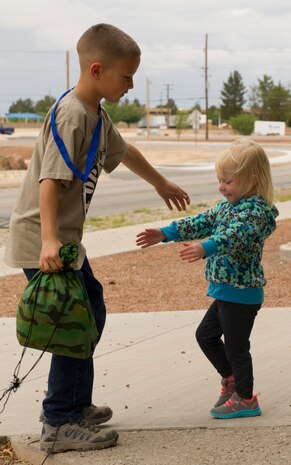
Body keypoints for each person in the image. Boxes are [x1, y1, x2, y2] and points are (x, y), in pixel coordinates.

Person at [4, 23, 190, 453]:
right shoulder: (72, 114)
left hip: (63, 241)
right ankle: (60, 420)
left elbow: (124, 152)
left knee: (92, 311)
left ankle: (73, 404)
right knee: (74, 321)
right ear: (96, 69)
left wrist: (160, 183)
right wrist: (50, 240)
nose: (129, 84)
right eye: (126, 76)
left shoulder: (96, 115)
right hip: (44, 240)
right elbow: (50, 180)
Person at [136, 138, 278, 419]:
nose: (221, 187)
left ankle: (246, 399)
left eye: (228, 181)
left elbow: (236, 236)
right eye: (219, 180)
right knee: (206, 336)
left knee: (237, 348)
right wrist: (166, 233)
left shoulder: (257, 213)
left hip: (242, 292)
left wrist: (207, 247)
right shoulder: (226, 207)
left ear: (251, 180)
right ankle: (231, 380)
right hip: (225, 290)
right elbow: (200, 222)